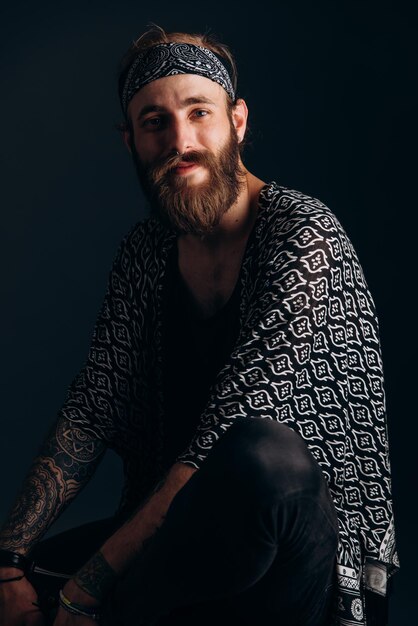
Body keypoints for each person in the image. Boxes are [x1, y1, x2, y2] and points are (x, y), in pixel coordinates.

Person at [0, 25, 399, 626]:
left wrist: (86, 587)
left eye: (199, 113)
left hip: (298, 566)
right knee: (14, 595)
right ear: (130, 139)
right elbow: (92, 407)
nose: (180, 141)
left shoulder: (306, 238)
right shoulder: (145, 252)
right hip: (180, 546)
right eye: (155, 121)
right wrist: (8, 558)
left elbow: (223, 436)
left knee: (265, 458)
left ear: (237, 121)